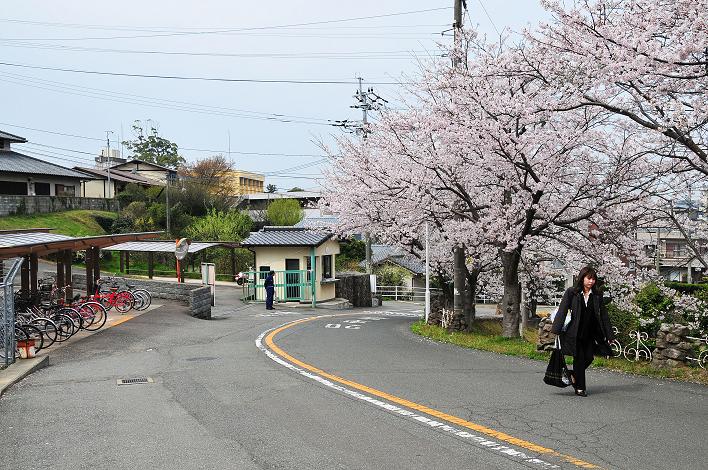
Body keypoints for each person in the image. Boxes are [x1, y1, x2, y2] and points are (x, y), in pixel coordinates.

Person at [551, 266, 615, 397]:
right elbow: (562, 310)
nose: (591, 281)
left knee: (589, 357)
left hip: (591, 332)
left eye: (593, 279)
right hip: (575, 332)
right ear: (582, 278)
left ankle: (572, 375)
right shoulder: (572, 292)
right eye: (589, 278)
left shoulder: (597, 295)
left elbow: (603, 315)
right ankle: (580, 388)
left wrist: (609, 335)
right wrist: (556, 329)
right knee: (579, 359)